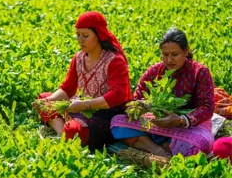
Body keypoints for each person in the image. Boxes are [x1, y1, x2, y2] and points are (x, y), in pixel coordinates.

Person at [33, 11, 132, 151]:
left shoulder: (114, 61)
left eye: (85, 36)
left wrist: (85, 105)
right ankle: (62, 134)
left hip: (105, 115)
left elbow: (118, 95)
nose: (80, 40)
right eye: (78, 35)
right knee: (44, 99)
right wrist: (49, 100)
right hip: (80, 106)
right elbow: (67, 88)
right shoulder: (79, 57)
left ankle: (69, 132)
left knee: (75, 130)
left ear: (99, 36)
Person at [110, 28, 215, 157]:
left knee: (196, 145)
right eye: (165, 55)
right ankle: (159, 151)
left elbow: (207, 107)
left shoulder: (199, 72)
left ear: (185, 51)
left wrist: (181, 120)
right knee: (117, 122)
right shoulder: (155, 71)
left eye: (174, 54)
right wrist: (142, 107)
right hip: (156, 123)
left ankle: (154, 146)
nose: (169, 60)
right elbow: (137, 98)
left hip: (186, 127)